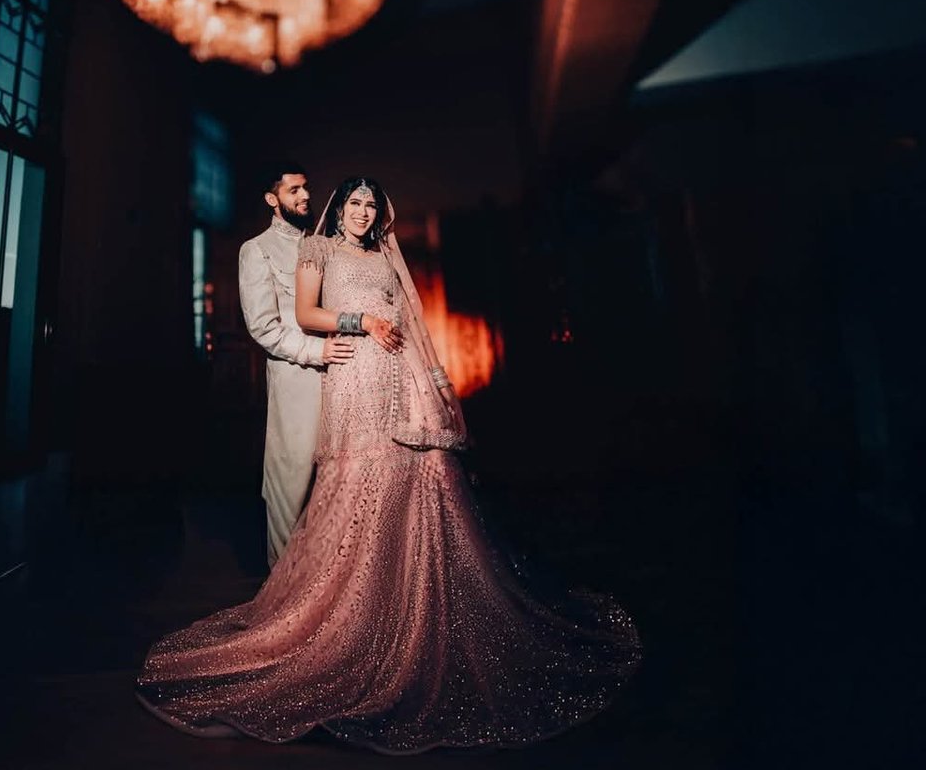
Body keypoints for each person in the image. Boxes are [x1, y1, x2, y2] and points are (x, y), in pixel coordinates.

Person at [139, 177, 640, 754]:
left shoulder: (384, 253)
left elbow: (416, 324)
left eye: (370, 204)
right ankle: (350, 615)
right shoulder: (317, 249)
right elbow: (305, 313)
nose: (361, 211)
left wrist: (433, 381)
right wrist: (359, 324)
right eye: (353, 202)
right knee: (357, 486)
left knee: (420, 484)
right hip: (354, 377)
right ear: (338, 207)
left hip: (399, 376)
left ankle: (417, 603)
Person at [238, 164, 356, 566]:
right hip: (296, 380)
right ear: (272, 200)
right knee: (294, 480)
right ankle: (284, 595)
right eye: (294, 190)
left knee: (341, 481)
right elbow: (262, 327)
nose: (305, 196)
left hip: (347, 377)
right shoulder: (256, 251)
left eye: (306, 188)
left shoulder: (325, 245)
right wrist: (316, 352)